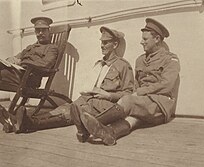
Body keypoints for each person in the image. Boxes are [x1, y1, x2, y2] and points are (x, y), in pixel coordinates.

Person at [3, 26, 134, 137]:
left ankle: (29, 124)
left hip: (101, 105)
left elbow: (128, 94)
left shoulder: (123, 66)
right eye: (101, 42)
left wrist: (109, 95)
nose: (102, 45)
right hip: (85, 99)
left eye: (106, 42)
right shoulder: (99, 64)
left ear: (115, 44)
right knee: (61, 110)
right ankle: (23, 121)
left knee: (66, 115)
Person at [78, 18, 181, 146]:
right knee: (132, 119)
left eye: (145, 39)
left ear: (157, 39)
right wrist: (135, 94)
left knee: (128, 100)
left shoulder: (170, 59)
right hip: (143, 105)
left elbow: (167, 85)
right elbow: (136, 85)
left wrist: (139, 93)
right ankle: (110, 133)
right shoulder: (140, 60)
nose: (141, 42)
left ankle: (87, 127)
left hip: (160, 105)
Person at [0, 16, 58, 132]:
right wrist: (11, 60)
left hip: (29, 78)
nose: (40, 33)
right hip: (17, 74)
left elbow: (46, 65)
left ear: (49, 31)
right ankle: (9, 118)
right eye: (37, 30)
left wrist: (23, 62)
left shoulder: (52, 48)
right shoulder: (30, 47)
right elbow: (16, 57)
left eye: (43, 30)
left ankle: (7, 117)